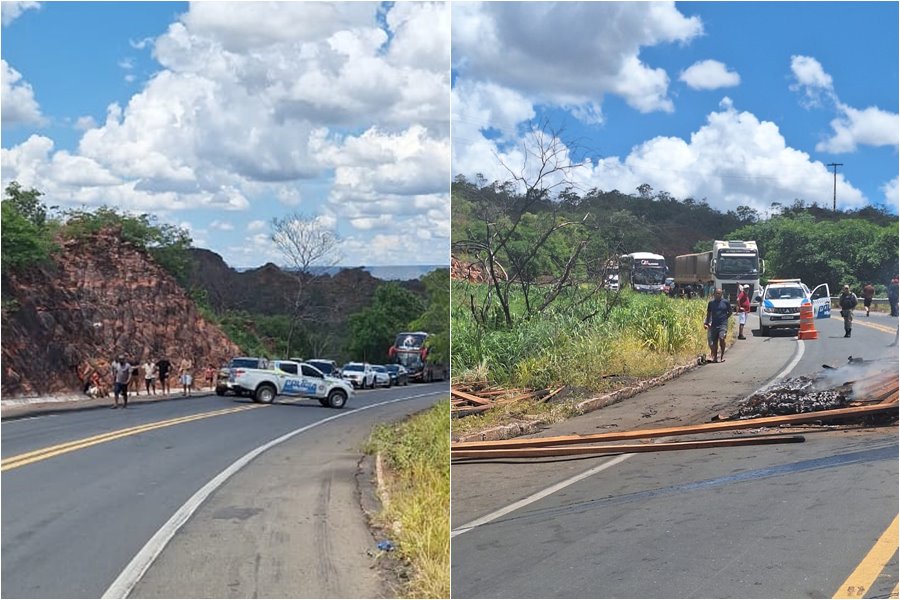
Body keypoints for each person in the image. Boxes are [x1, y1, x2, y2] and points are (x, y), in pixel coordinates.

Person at [704, 288, 732, 363]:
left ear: (721, 294)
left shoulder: (726, 302)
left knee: (722, 338)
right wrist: (706, 322)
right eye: (716, 293)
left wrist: (725, 318)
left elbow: (730, 312)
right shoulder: (711, 303)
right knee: (714, 342)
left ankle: (722, 355)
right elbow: (708, 313)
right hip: (714, 325)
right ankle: (715, 357)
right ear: (714, 294)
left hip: (723, 324)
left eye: (719, 293)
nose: (718, 295)